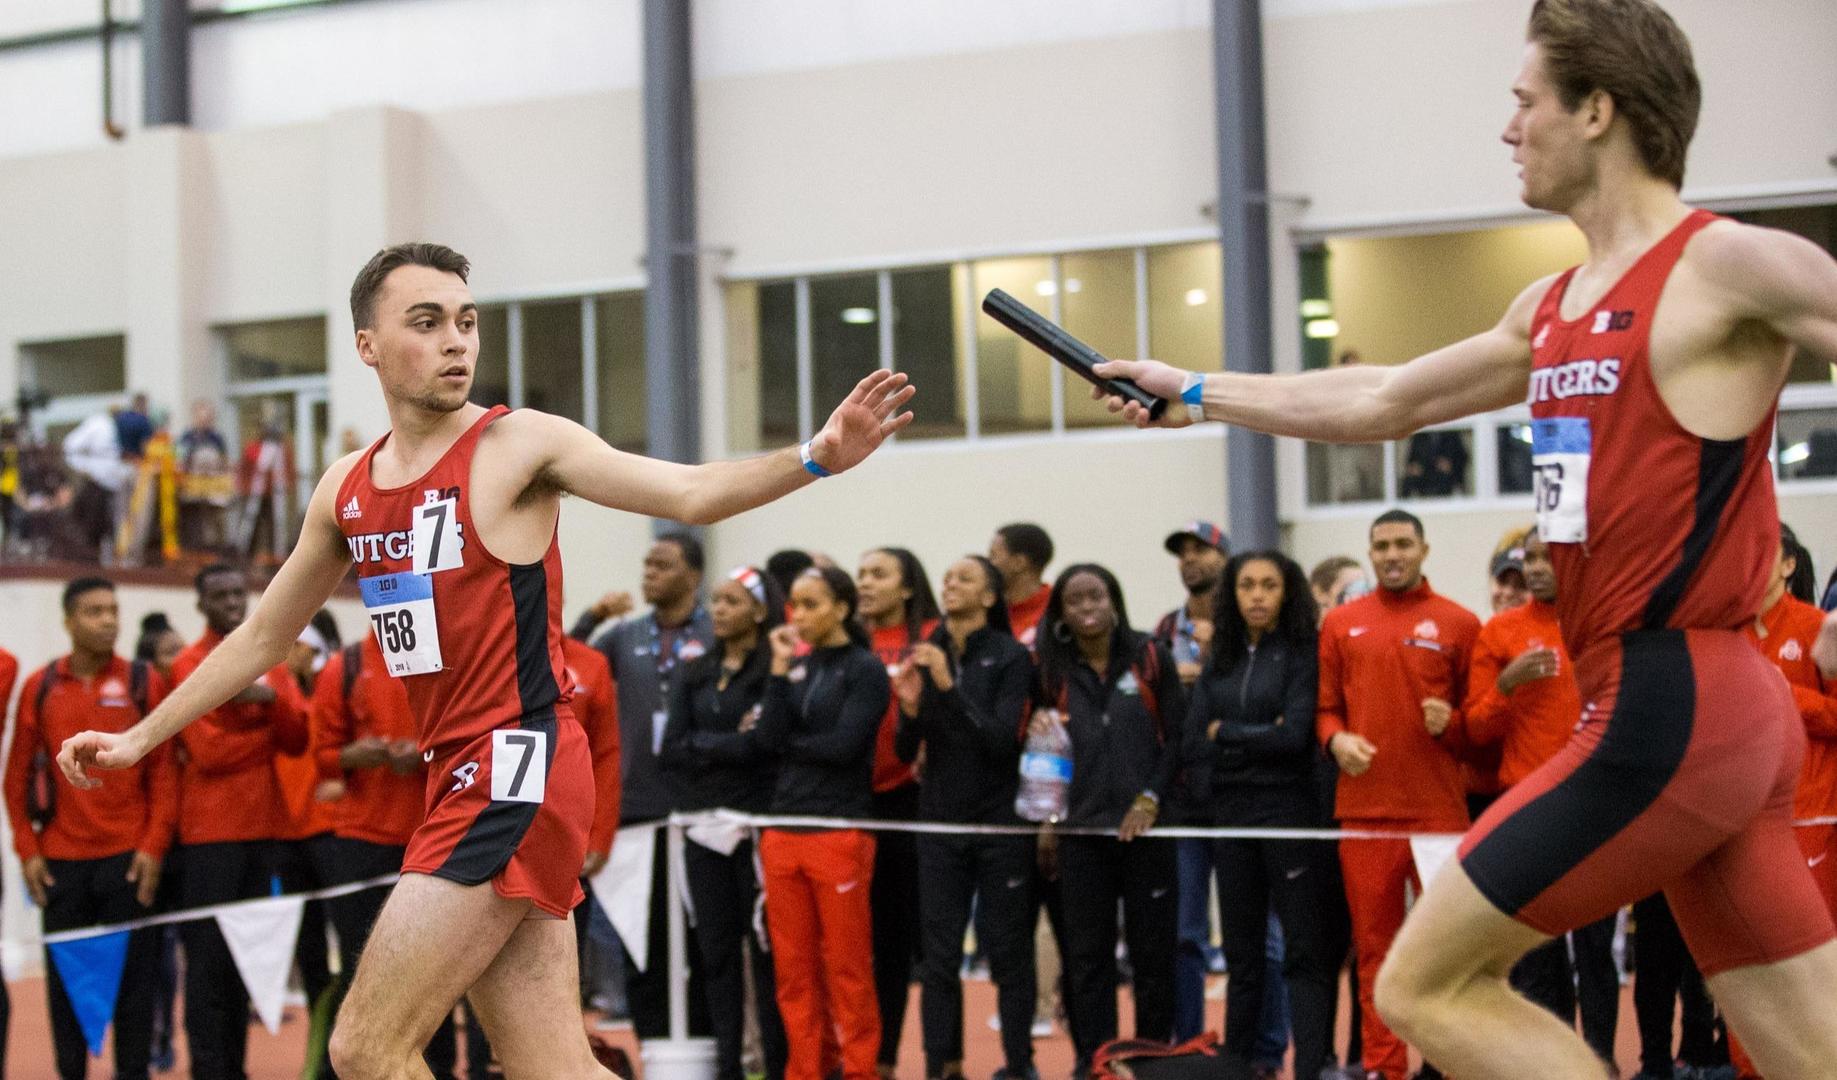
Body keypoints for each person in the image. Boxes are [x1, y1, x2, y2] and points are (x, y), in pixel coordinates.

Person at [1089, 1, 1837, 1072]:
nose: (1506, 128)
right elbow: (1383, 397)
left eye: (1523, 102)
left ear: (1595, 109)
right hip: (1693, 714)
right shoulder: (1552, 306)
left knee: (1422, 982)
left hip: (1680, 704)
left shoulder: (1729, 266)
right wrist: (1197, 390)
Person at [58, 241, 914, 1080]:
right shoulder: (346, 488)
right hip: (460, 771)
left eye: (465, 322)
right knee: (552, 1065)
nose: (456, 341)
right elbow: (261, 639)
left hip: (516, 762)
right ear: (367, 346)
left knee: (364, 1049)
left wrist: (814, 458)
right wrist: (139, 737)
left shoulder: (519, 447)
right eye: (425, 323)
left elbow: (688, 493)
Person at [1311, 511, 1482, 1080]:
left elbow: (1480, 722)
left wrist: (1452, 723)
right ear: (1370, 551)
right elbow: (1325, 708)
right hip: (1364, 814)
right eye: (1381, 545)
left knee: (1445, 955)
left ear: (1424, 549)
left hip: (1439, 815)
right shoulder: (1340, 623)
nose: (1392, 555)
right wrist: (1335, 741)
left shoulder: (1459, 623)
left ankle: (1447, 1065)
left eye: (1402, 544)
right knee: (1375, 953)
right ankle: (1385, 1069)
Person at [1463, 531, 1618, 1065]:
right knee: (1535, 951)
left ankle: (1600, 1060)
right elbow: (1476, 728)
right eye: (1527, 559)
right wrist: (1506, 685)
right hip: (1526, 806)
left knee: (1595, 951)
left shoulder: (1604, 623)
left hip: (1597, 804)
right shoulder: (1501, 632)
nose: (1534, 568)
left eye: (1545, 558)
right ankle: (1548, 1066)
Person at [7, 578, 167, 1080]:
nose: (109, 620)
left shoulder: (144, 680)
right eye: (95, 611)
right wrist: (28, 851)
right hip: (62, 866)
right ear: (69, 620)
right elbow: (14, 779)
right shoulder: (40, 686)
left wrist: (153, 846)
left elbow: (165, 775)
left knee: (136, 996)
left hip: (129, 861)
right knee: (67, 997)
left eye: (114, 609)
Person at [1184, 551, 1335, 1080]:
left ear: (1286, 593)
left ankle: (1311, 1065)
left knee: (1303, 950)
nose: (1256, 595)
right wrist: (1250, 738)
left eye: (1269, 585)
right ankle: (1238, 1064)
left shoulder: (1302, 653)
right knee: (1243, 955)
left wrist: (1226, 733)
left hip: (1288, 813)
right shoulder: (1221, 656)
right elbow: (1191, 738)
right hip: (1232, 817)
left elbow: (1294, 737)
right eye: (1246, 585)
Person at [1032, 563, 1185, 1077]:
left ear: (1114, 600)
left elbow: (1177, 742)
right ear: (1061, 613)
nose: (1087, 608)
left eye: (1096, 596)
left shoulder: (1149, 659)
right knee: (1087, 961)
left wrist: (1149, 800)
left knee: (1152, 959)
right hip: (1081, 838)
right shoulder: (1050, 673)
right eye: (1074, 601)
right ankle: (1093, 1061)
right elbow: (1042, 752)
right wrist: (1051, 819)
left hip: (1146, 834)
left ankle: (1148, 1061)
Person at [892, 555, 1035, 1080]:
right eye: (947, 576)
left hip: (999, 824)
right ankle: (942, 1065)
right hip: (941, 824)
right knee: (939, 958)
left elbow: (1002, 743)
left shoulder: (1011, 657)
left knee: (1009, 953)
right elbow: (909, 751)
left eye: (965, 578)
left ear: (991, 597)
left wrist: (950, 688)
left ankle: (1019, 1064)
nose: (950, 583)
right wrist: (909, 711)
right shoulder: (928, 652)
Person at [572, 532, 714, 1042]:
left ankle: (707, 1047)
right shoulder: (623, 636)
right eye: (647, 562)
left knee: (704, 941)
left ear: (693, 576)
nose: (649, 572)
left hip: (702, 808)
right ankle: (653, 1046)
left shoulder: (718, 631)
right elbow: (568, 664)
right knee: (642, 937)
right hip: (637, 807)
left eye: (663, 564)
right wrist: (591, 617)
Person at [172, 563, 311, 1080]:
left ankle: (237, 1069)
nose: (232, 603)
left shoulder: (269, 660)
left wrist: (270, 702)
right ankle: (210, 1070)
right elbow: (206, 751)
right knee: (207, 968)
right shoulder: (189, 663)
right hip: (211, 837)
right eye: (220, 596)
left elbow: (299, 739)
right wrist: (262, 735)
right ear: (201, 603)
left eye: (238, 594)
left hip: (264, 834)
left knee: (245, 965)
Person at [755, 566, 890, 1080]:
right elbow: (766, 741)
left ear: (842, 607)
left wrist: (790, 748)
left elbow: (845, 747)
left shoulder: (864, 669)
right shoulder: (796, 667)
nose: (799, 616)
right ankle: (806, 1070)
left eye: (811, 604)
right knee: (793, 971)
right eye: (794, 604)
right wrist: (776, 671)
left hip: (839, 830)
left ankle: (858, 1070)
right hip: (782, 831)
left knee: (847, 967)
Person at [659, 565, 789, 1080]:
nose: (718, 611)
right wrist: (730, 744)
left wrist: (708, 746)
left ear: (758, 610)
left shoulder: (772, 669)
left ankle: (776, 1065)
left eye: (731, 602)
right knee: (715, 952)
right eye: (715, 602)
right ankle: (729, 1065)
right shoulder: (695, 670)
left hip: (757, 824)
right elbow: (671, 749)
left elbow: (768, 744)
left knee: (765, 953)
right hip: (703, 828)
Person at [1727, 525, 1837, 1080]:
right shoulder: (1724, 635)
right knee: (1746, 961)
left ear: (1789, 564)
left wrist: (1783, 694)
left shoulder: (1818, 628)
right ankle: (1750, 1068)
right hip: (1736, 822)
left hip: (1810, 816)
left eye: (1760, 552)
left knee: (1803, 962)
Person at [855, 546, 938, 1077]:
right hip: (849, 802)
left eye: (878, 574)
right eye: (861, 574)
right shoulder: (847, 639)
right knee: (849, 944)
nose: (866, 582)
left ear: (907, 587)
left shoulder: (931, 637)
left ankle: (887, 1060)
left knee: (895, 940)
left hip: (909, 801)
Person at [990, 523, 1054, 650]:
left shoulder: (1058, 611)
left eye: (993, 556)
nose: (987, 565)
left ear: (1019, 563)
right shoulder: (986, 613)